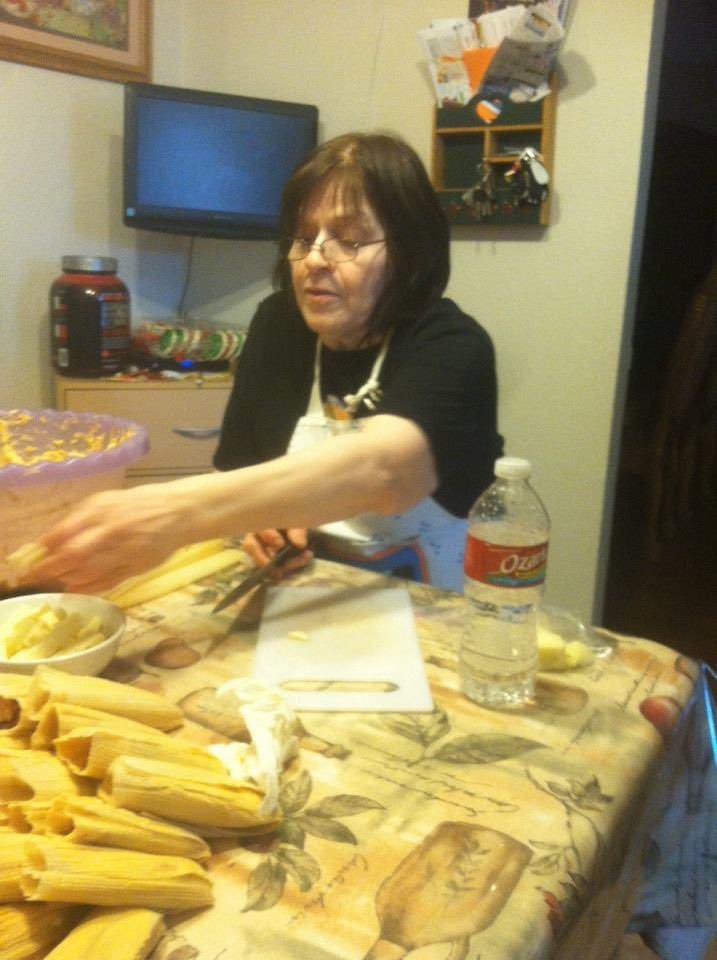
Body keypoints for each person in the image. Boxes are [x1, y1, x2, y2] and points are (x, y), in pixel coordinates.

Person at [32, 132, 503, 595]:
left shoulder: (453, 345)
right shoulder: (279, 325)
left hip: (437, 623)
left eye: (349, 239)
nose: (313, 259)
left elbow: (388, 472)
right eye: (303, 237)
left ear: (410, 253)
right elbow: (240, 474)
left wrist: (170, 515)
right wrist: (260, 525)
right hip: (308, 606)